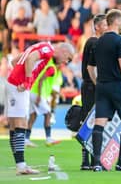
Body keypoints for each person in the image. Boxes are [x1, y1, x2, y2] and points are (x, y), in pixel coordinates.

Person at [6, 41, 75, 175]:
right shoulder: (48, 50)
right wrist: (26, 81)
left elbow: (15, 61)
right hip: (19, 87)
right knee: (21, 124)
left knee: (15, 125)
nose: (65, 62)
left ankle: (20, 164)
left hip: (13, 84)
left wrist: (18, 76)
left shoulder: (40, 46)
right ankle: (21, 166)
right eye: (68, 59)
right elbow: (31, 58)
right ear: (64, 51)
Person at [90, 9, 121, 172]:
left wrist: (99, 83)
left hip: (102, 86)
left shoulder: (98, 41)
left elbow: (93, 67)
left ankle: (96, 162)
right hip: (117, 85)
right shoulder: (120, 41)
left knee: (99, 122)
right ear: (116, 21)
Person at [80, 14, 107, 170]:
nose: (107, 27)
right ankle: (89, 159)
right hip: (92, 86)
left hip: (88, 86)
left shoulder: (92, 42)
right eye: (104, 24)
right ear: (97, 27)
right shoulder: (94, 42)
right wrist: (98, 84)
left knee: (89, 121)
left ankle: (88, 159)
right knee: (91, 122)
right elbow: (92, 68)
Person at [25, 58, 63, 148]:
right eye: (62, 62)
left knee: (33, 116)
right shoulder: (52, 69)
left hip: (32, 92)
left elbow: (46, 85)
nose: (62, 66)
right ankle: (48, 138)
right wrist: (39, 96)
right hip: (37, 94)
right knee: (48, 114)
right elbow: (41, 80)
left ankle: (26, 139)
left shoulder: (50, 67)